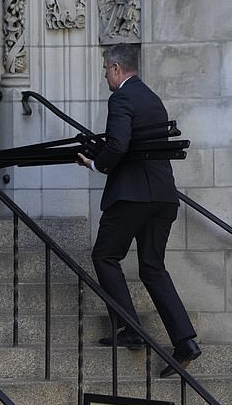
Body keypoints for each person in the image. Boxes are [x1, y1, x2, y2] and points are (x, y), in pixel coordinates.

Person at [76, 44, 201, 378]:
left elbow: (119, 144)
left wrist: (94, 163)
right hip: (163, 196)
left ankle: (131, 328)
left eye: (105, 69)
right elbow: (134, 144)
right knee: (152, 268)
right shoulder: (152, 98)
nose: (105, 76)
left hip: (133, 196)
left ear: (117, 68)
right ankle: (185, 340)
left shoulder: (121, 98)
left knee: (104, 255)